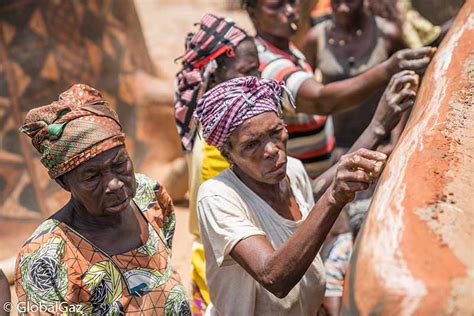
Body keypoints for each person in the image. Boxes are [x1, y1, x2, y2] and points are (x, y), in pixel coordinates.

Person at [195, 74, 418, 314]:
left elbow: (318, 189)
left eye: (275, 132)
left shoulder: (292, 170)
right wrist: (334, 198)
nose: (271, 150)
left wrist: (378, 126)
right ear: (228, 156)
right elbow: (274, 277)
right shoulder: (218, 197)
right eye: (251, 145)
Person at [15, 84, 190, 315]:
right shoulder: (44, 257)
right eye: (92, 176)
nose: (115, 184)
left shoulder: (149, 196)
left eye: (119, 164)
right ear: (63, 182)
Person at [241, 0, 434, 179]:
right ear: (253, 13)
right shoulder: (268, 64)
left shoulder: (288, 50)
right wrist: (387, 69)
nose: (290, 11)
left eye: (292, 1)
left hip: (328, 164)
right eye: (276, 6)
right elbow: (320, 101)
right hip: (305, 179)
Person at [174, 14, 259, 314]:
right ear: (214, 76)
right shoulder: (220, 147)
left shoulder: (214, 126)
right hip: (228, 267)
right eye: (247, 71)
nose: (255, 81)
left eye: (257, 71)